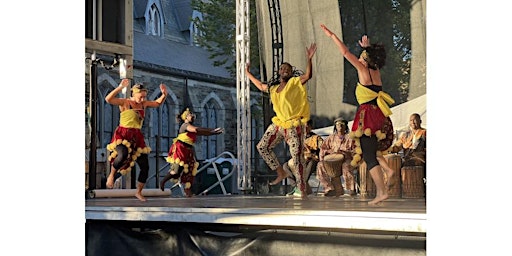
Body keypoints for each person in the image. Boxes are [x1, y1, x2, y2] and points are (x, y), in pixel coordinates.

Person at [321, 24, 395, 205]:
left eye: (362, 57)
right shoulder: (376, 71)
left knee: (369, 157)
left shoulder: (363, 70)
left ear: (367, 60)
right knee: (372, 149)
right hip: (379, 114)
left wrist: (332, 36)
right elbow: (368, 58)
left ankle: (381, 192)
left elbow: (345, 53)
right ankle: (388, 170)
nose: (360, 60)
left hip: (368, 116)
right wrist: (367, 48)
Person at [245, 43, 317, 199]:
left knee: (296, 157)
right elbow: (260, 86)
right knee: (262, 146)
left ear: (291, 73)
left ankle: (301, 189)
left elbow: (307, 76)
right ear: (279, 72)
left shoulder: (294, 82)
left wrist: (309, 59)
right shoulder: (273, 88)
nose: (285, 70)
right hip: (279, 124)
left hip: (294, 124)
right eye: (282, 68)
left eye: (288, 69)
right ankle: (281, 172)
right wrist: (248, 73)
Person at [105, 79, 168, 201]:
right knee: (123, 153)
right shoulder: (125, 102)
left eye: (144, 97)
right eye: (141, 97)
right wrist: (119, 88)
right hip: (123, 134)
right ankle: (112, 175)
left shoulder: (143, 105)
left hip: (137, 136)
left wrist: (164, 95)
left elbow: (157, 103)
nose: (143, 99)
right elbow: (108, 99)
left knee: (145, 166)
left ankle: (138, 191)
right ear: (134, 94)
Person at [159, 107, 224, 197]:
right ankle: (163, 181)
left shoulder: (191, 127)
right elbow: (197, 130)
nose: (192, 116)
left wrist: (214, 132)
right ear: (185, 117)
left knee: (190, 171)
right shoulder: (185, 125)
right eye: (190, 115)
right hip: (180, 148)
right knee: (177, 170)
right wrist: (212, 130)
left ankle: (188, 191)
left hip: (188, 150)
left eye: (192, 115)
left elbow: (202, 132)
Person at [316, 118, 356, 197]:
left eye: (342, 124)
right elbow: (323, 149)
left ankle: (350, 189)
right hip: (332, 161)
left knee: (346, 166)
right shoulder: (330, 138)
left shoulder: (350, 138)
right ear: (335, 127)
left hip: (346, 160)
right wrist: (328, 153)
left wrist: (347, 153)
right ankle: (329, 187)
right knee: (320, 165)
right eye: (338, 124)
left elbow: (355, 151)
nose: (340, 126)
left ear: (345, 127)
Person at [283, 119, 323, 197]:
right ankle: (296, 186)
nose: (304, 129)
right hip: (300, 159)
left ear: (310, 127)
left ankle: (302, 185)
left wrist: (312, 154)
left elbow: (322, 149)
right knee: (285, 166)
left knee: (311, 163)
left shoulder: (316, 138)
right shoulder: (297, 138)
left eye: (306, 127)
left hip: (312, 160)